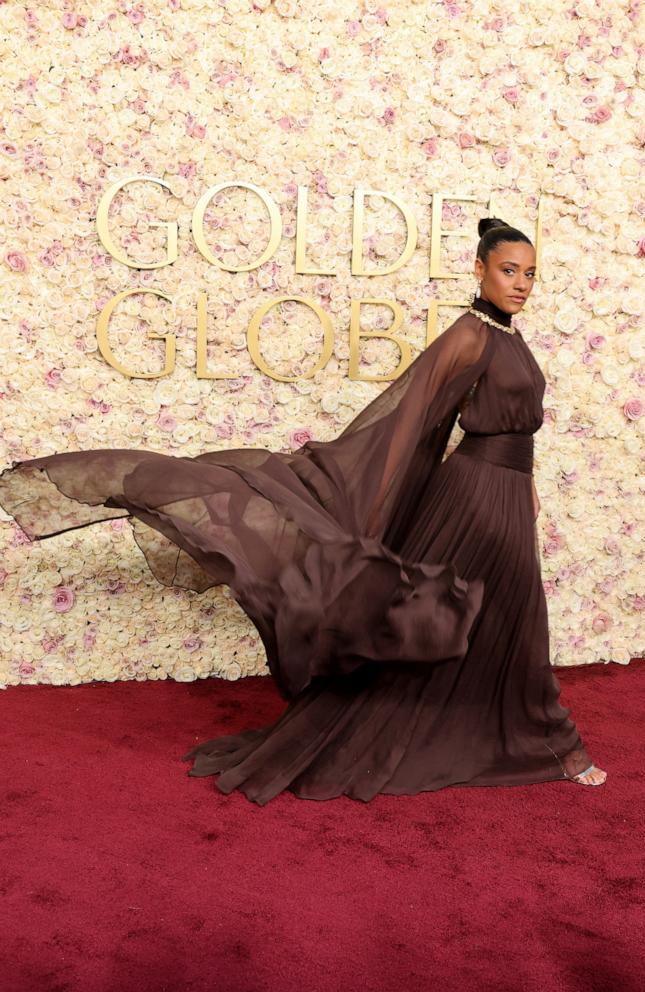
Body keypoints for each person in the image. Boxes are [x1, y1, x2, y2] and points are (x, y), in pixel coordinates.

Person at [0, 216, 607, 804]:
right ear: (479, 270)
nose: (521, 283)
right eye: (508, 270)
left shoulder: (507, 334)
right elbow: (409, 423)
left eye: (530, 273)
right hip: (475, 499)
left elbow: (515, 427)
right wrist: (361, 507)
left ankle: (512, 735)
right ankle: (556, 745)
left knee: (502, 620)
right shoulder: (469, 335)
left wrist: (525, 483)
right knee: (498, 619)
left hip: (506, 489)